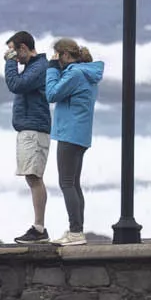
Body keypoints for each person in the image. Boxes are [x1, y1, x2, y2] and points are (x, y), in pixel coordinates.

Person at [44, 37, 105, 244]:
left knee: (66, 183)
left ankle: (76, 232)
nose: (56, 59)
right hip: (80, 134)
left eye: (57, 56)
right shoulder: (86, 73)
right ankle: (76, 230)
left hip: (69, 134)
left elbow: (52, 94)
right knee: (74, 184)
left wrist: (52, 68)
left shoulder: (75, 74)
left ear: (65, 55)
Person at [3, 32, 51, 244]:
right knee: (31, 177)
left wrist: (10, 62)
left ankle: (39, 228)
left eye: (13, 51)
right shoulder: (33, 67)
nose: (11, 55)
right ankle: (38, 228)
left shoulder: (39, 67)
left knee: (34, 177)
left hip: (34, 129)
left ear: (23, 48)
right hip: (29, 129)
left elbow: (16, 85)